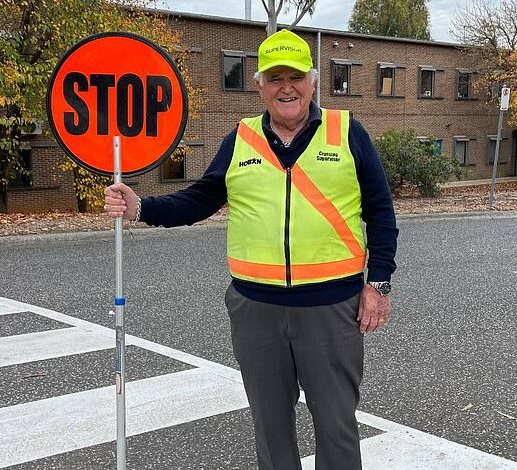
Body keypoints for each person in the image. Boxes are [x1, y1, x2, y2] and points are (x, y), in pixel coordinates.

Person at [104, 28, 398, 470]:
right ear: (258, 85)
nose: (287, 87)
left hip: (331, 308)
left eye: (296, 76)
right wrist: (142, 207)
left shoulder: (346, 132)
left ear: (313, 82)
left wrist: (378, 285)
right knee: (270, 426)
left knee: (337, 427)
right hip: (256, 310)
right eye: (275, 77)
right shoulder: (240, 138)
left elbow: (381, 212)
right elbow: (201, 198)